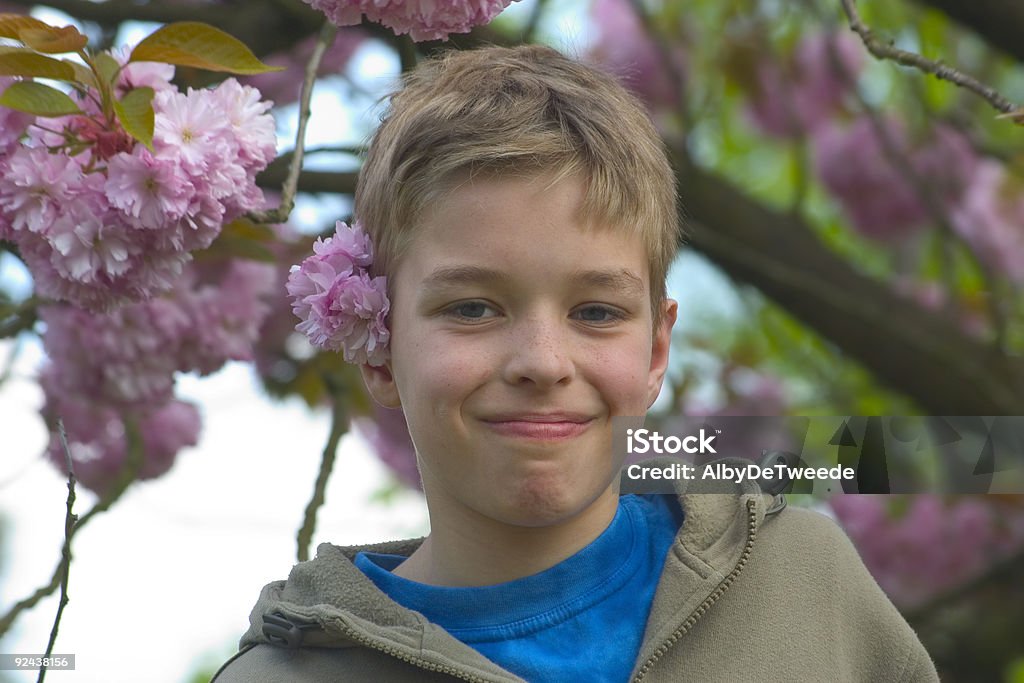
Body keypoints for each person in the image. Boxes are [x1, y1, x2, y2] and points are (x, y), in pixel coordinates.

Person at [212, 45, 938, 682]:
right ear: (377, 345)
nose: (542, 362)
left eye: (596, 312)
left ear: (656, 350)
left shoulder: (806, 583)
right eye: (472, 308)